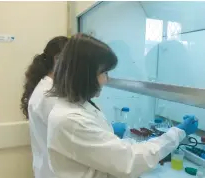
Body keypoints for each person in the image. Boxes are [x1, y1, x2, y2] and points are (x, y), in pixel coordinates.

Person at [47, 33, 198, 178]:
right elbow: (130, 161)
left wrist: (112, 133)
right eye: (104, 73)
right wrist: (178, 132)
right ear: (85, 74)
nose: (107, 80)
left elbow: (110, 150)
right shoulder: (71, 119)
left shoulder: (77, 104)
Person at [20, 36, 68, 178]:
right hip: (53, 171)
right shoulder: (49, 95)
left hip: (47, 168)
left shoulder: (46, 87)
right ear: (58, 59)